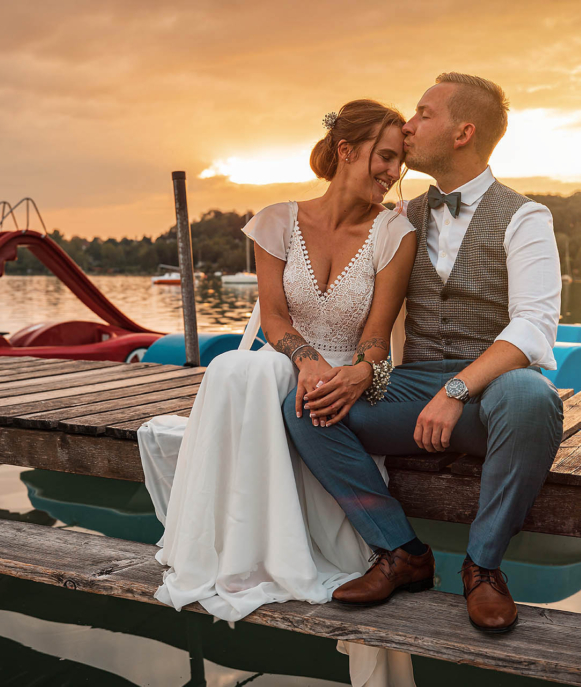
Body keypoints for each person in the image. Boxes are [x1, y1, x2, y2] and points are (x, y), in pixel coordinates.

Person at [138, 99, 418, 685]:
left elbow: (377, 338)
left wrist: (356, 373)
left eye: (401, 162)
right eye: (386, 156)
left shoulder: (395, 232)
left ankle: (280, 551)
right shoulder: (275, 221)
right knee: (237, 369)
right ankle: (239, 552)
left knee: (250, 375)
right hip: (289, 360)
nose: (393, 172)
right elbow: (272, 317)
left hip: (348, 379)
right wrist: (305, 359)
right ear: (347, 150)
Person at [283, 73, 564, 634]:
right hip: (410, 390)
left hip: (494, 396)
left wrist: (457, 390)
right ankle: (402, 551)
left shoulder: (526, 218)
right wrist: (351, 369)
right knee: (310, 407)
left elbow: (534, 328)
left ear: (463, 133)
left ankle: (483, 567)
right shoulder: (400, 218)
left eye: (422, 114)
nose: (408, 126)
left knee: (531, 395)